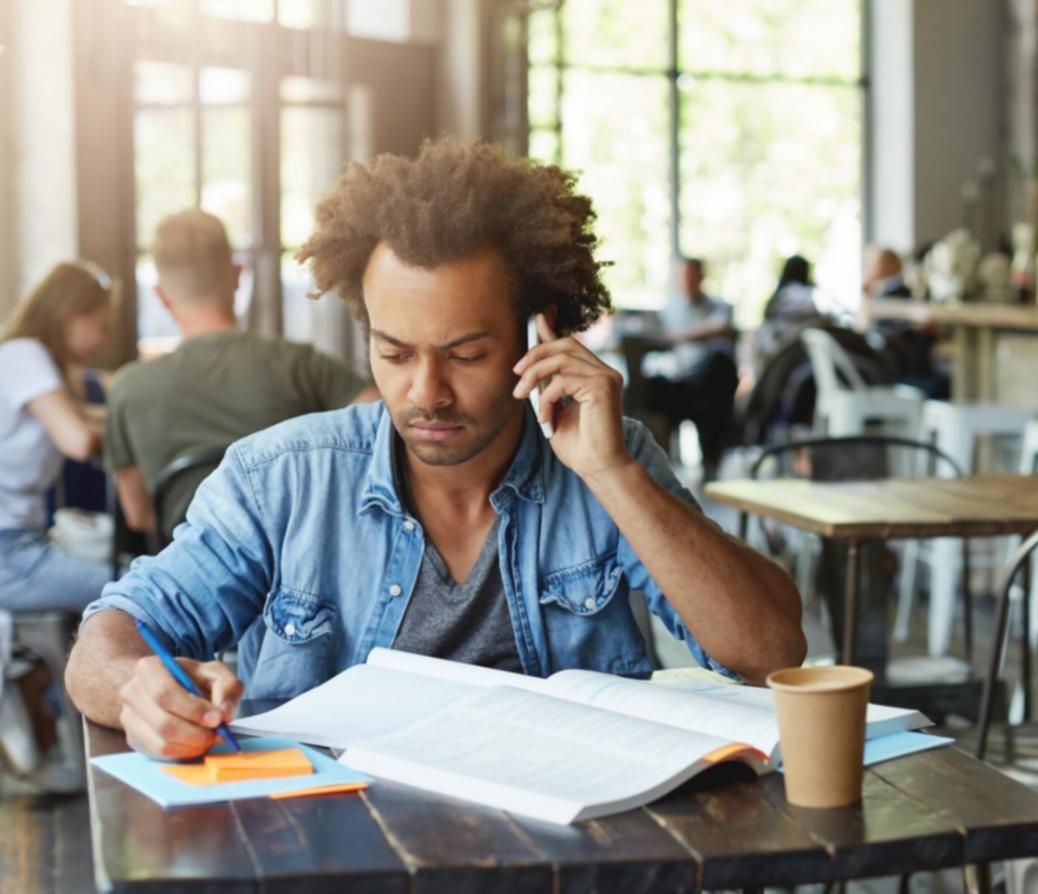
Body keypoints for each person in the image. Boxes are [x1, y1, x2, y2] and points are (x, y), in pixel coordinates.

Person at [65, 136, 807, 759]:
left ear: (538, 331)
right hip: (341, 852)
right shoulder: (280, 480)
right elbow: (105, 641)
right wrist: (141, 690)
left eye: (466, 354)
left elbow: (771, 650)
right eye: (393, 353)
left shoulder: (608, 463)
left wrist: (613, 474)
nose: (427, 392)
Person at [105, 209, 376, 539]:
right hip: (296, 569)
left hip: (190, 580)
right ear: (237, 275)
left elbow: (139, 516)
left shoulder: (128, 388)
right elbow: (382, 427)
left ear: (161, 295)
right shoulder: (301, 364)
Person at [0, 262, 116, 612]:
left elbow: (83, 416)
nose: (105, 339)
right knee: (137, 589)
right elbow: (78, 440)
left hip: (20, 543)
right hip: (9, 551)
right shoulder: (23, 354)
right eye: (102, 325)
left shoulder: (28, 360)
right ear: (71, 317)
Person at [645, 257, 738, 477]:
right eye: (685, 276)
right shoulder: (669, 310)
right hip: (684, 382)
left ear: (702, 277)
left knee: (718, 365)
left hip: (709, 380)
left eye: (693, 275)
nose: (689, 280)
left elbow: (720, 329)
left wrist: (678, 337)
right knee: (699, 399)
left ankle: (710, 459)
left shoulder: (719, 306)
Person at [861, 245, 949, 399]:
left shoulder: (895, 295)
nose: (867, 270)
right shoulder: (885, 297)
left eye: (871, 265)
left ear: (887, 266)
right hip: (899, 373)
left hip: (891, 372)